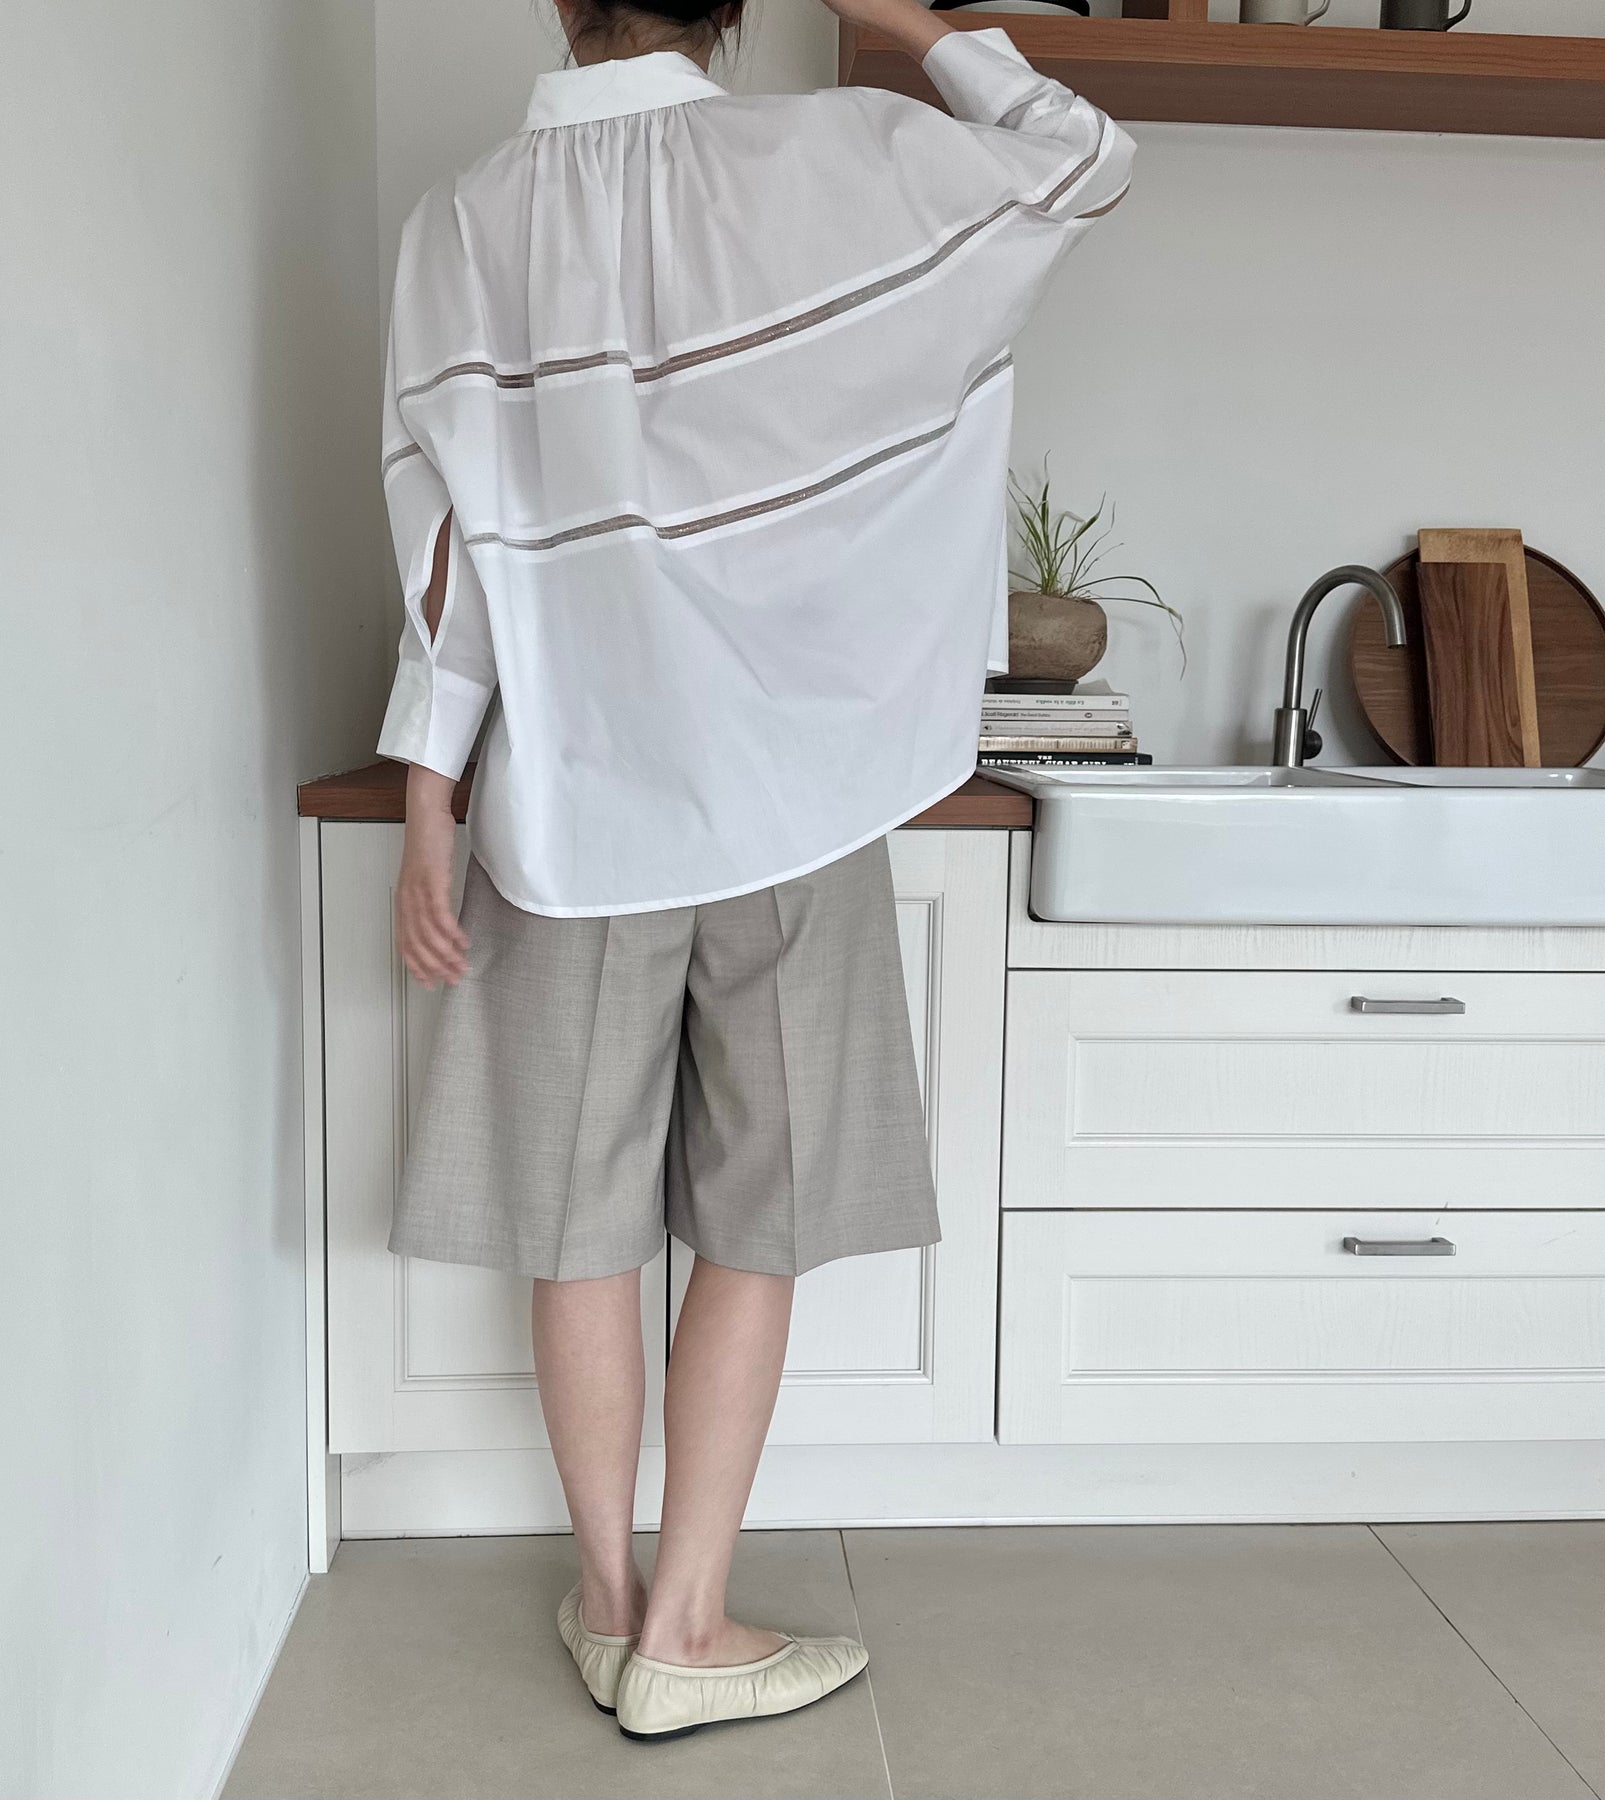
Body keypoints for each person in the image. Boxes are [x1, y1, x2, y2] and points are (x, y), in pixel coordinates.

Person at [375, 0, 1132, 1744]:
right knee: (759, 1216)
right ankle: (691, 1626)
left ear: (563, 2)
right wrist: (912, 26)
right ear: (737, 11)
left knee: (575, 1221)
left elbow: (450, 548)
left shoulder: (462, 224)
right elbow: (1082, 163)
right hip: (794, 786)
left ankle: (609, 1604)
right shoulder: (828, 158)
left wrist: (428, 788)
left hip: (570, 797)